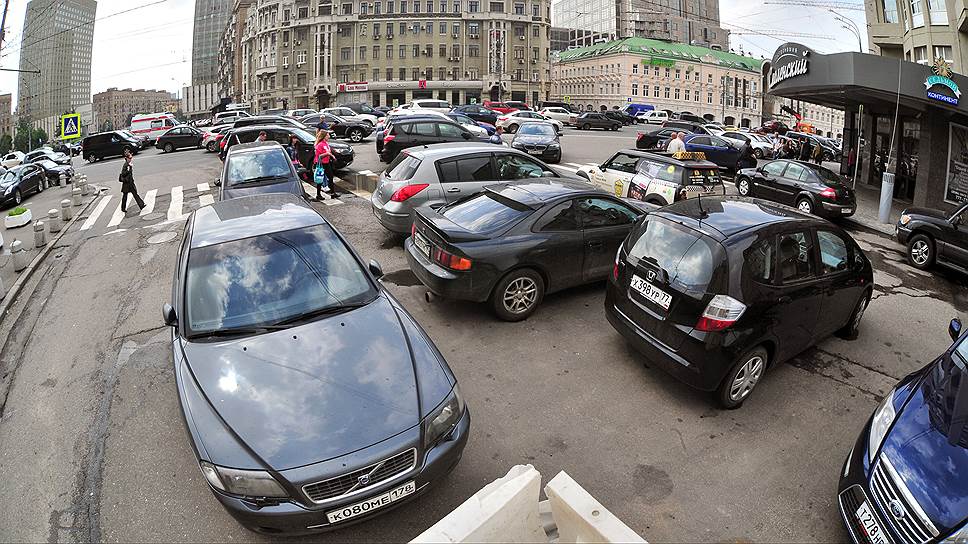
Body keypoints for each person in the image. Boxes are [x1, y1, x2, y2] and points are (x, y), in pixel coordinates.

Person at [312, 129, 336, 201]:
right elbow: (319, 156)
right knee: (320, 179)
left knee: (330, 177)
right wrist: (327, 154)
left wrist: (331, 155)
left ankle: (333, 193)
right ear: (324, 136)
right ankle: (318, 195)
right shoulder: (319, 145)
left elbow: (328, 151)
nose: (329, 136)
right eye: (327, 135)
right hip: (321, 164)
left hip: (327, 163)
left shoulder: (326, 143)